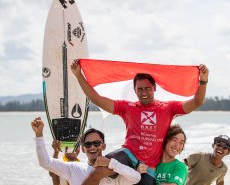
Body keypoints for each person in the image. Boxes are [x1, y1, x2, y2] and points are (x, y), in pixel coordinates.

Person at [71, 61, 209, 185]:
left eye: (147, 88)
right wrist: (78, 75)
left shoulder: (168, 108)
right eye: (140, 89)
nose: (144, 92)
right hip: (128, 155)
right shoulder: (127, 107)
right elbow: (95, 98)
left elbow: (197, 102)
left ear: (154, 88)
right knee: (98, 171)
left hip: (149, 166)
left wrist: (203, 81)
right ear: (135, 90)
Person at [31, 117, 141, 185]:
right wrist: (39, 135)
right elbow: (45, 162)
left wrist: (110, 163)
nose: (92, 147)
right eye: (88, 144)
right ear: (83, 149)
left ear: (103, 146)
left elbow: (136, 178)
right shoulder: (74, 168)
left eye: (96, 143)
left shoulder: (111, 170)